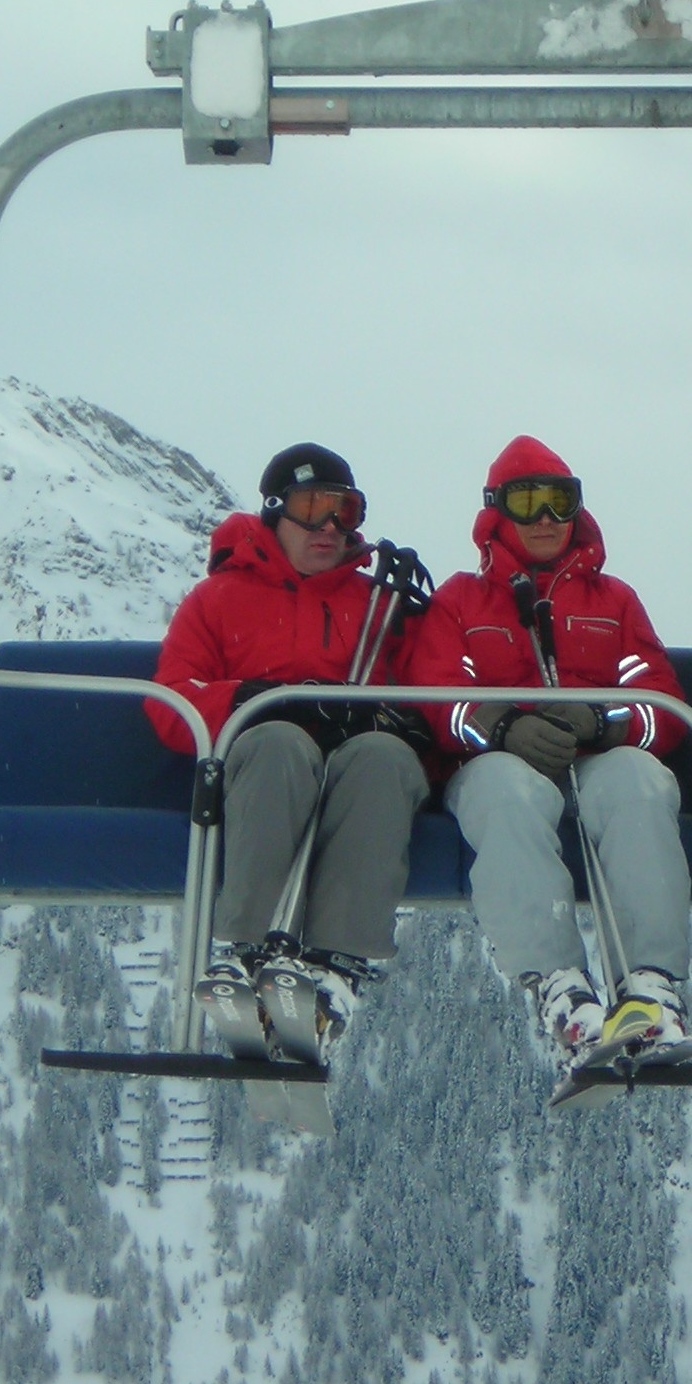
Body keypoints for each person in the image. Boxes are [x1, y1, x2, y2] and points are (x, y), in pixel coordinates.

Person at [405, 436, 692, 1061]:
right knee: (504, 794)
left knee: (640, 782)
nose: (544, 518)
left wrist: (605, 724)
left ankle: (650, 982)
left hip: (595, 760)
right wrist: (501, 728)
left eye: (560, 501)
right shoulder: (461, 600)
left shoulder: (612, 600)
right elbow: (436, 696)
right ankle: (560, 984)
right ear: (496, 510)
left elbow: (661, 703)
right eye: (525, 501)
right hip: (498, 764)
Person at [147, 442, 429, 1052]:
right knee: (278, 742)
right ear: (275, 512)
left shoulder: (380, 608)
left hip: (356, 774)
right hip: (265, 772)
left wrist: (390, 721)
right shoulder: (218, 600)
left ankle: (335, 968)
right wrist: (256, 700)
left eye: (344, 511)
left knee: (384, 760)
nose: (328, 527)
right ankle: (250, 948)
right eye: (310, 508)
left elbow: (426, 695)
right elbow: (171, 703)